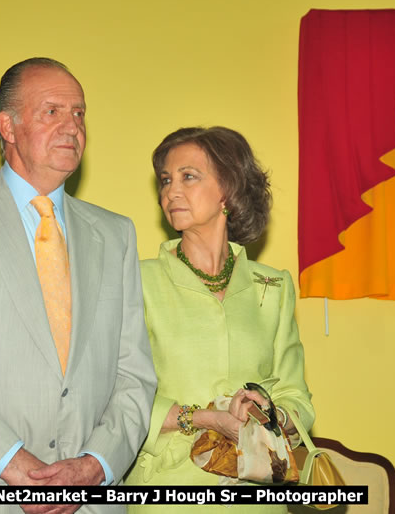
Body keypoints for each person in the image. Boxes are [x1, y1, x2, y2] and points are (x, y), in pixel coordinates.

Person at [0, 57, 157, 514]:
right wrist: (13, 466)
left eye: (79, 113)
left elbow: (134, 374)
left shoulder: (116, 233)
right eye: (52, 111)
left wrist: (95, 466)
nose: (72, 127)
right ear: (8, 126)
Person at [124, 127, 315, 513]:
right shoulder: (135, 280)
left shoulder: (273, 287)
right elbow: (118, 394)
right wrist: (208, 418)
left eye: (188, 177)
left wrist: (268, 412)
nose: (170, 191)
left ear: (227, 189)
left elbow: (299, 400)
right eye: (165, 180)